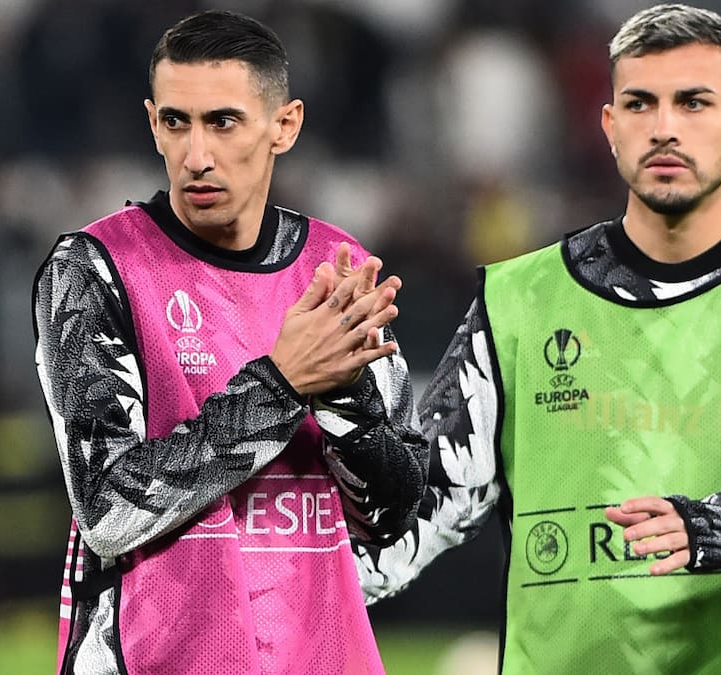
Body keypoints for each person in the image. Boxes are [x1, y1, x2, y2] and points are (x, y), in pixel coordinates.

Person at [354, 4, 721, 673]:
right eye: (641, 104)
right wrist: (344, 410)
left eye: (694, 103)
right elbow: (425, 510)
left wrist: (705, 529)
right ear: (610, 126)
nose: (665, 128)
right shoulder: (518, 301)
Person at [31, 10, 427, 675]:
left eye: (223, 122)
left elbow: (393, 516)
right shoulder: (95, 269)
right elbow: (108, 510)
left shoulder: (337, 267)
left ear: (284, 126)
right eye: (175, 122)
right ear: (153, 123)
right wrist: (282, 384)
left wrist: (344, 396)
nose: (196, 156)